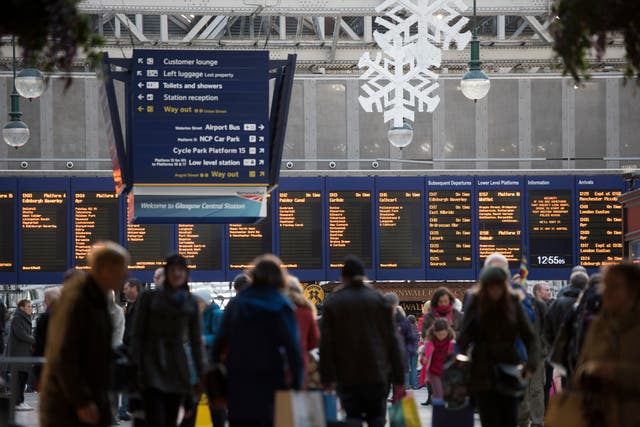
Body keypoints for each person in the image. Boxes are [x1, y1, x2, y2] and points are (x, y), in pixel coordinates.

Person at [40, 241, 130, 427]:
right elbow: (64, 356)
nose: (126, 274)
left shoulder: (98, 300)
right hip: (69, 407)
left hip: (88, 398)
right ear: (104, 269)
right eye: (121, 268)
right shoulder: (78, 302)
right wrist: (81, 401)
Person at [211, 254, 303, 427]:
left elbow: (218, 342)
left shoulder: (236, 304)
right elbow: (293, 349)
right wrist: (297, 384)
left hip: (239, 380)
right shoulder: (282, 305)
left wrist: (218, 372)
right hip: (272, 380)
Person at [320, 256, 405, 427]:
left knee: (352, 417)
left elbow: (326, 344)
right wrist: (399, 376)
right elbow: (392, 340)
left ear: (343, 277)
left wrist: (327, 377)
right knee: (377, 419)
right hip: (377, 372)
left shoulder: (333, 302)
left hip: (347, 374)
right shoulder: (379, 300)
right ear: (363, 275)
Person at [457, 266, 539, 427]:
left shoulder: (514, 303)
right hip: (482, 371)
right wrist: (457, 358)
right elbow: (464, 336)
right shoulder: (475, 303)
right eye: (491, 286)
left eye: (498, 286)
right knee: (489, 420)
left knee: (510, 419)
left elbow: (530, 337)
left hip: (509, 367)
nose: (495, 291)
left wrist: (531, 364)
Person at [130, 254, 205, 427]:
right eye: (173, 270)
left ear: (186, 274)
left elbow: (195, 341)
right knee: (156, 419)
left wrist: (202, 373)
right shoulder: (149, 297)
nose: (177, 274)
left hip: (177, 366)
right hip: (151, 365)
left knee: (172, 420)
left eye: (181, 270)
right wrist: (135, 366)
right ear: (167, 272)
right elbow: (137, 334)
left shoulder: (191, 302)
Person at [571, 263, 640, 427]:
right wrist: (586, 373)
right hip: (600, 415)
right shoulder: (599, 324)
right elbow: (582, 362)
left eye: (614, 287)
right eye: (605, 286)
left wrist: (615, 372)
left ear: (633, 290)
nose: (606, 292)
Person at [287, 276, 320, 389]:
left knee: (280, 403)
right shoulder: (307, 311)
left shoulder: (278, 308)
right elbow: (314, 342)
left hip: (278, 366)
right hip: (301, 364)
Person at [544, 270, 589, 350]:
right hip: (585, 351)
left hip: (561, 350)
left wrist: (554, 346)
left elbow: (547, 329)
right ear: (586, 285)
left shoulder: (557, 304)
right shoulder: (589, 303)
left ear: (570, 284)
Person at [118, 277, 141, 421]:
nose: (124, 291)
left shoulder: (142, 305)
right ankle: (125, 409)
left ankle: (126, 408)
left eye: (126, 288)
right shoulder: (130, 306)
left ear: (134, 288)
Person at [8, 299, 35, 411]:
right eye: (28, 306)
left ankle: (21, 401)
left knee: (23, 378)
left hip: (24, 352)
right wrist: (33, 339)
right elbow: (21, 334)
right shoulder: (17, 318)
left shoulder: (25, 318)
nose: (31, 308)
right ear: (22, 308)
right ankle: (17, 403)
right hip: (18, 353)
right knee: (19, 379)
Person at [421, 319, 455, 402]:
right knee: (438, 394)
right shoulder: (429, 343)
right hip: (434, 372)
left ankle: (440, 410)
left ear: (448, 332)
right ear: (434, 332)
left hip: (447, 373)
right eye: (439, 334)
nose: (441, 336)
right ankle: (439, 411)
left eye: (444, 334)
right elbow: (423, 356)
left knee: (445, 394)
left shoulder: (452, 343)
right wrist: (423, 359)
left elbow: (455, 357)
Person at [33, 287, 61, 387]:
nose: (44, 301)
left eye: (45, 298)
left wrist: (37, 366)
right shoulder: (69, 314)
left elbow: (40, 343)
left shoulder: (45, 317)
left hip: (47, 362)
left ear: (49, 299)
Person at [406, 315, 420, 389]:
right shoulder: (416, 329)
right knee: (414, 368)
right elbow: (418, 340)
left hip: (407, 350)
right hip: (415, 350)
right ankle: (415, 385)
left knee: (407, 368)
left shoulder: (406, 329)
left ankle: (407, 385)